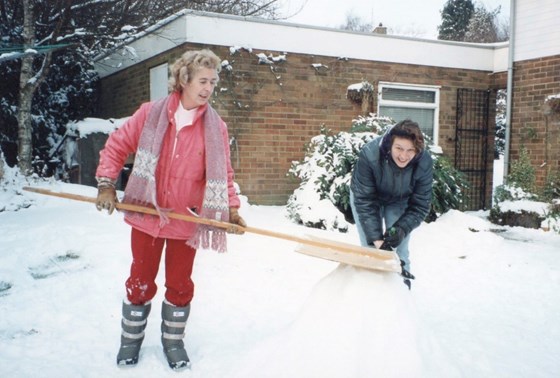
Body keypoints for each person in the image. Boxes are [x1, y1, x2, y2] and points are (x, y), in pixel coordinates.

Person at [94, 49, 246, 370]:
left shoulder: (215, 128)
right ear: (184, 79)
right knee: (140, 280)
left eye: (213, 82)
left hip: (185, 218)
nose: (208, 88)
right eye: (203, 80)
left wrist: (230, 210)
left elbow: (223, 174)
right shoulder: (151, 114)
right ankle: (130, 341)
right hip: (146, 213)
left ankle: (173, 341)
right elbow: (118, 144)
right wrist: (107, 183)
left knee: (180, 284)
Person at [350, 119, 433, 289]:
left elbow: (420, 205)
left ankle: (402, 296)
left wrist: (401, 229)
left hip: (399, 200)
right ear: (390, 145)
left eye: (410, 150)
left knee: (399, 250)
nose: (404, 156)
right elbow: (364, 200)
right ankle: (374, 294)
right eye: (399, 148)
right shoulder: (370, 154)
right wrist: (377, 240)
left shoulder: (424, 163)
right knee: (371, 248)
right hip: (367, 197)